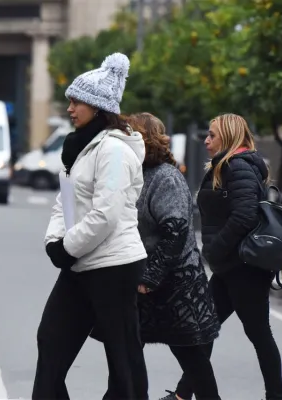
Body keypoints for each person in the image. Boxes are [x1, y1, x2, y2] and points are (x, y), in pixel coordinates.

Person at [32, 53, 149, 400]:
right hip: (80, 262)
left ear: (98, 107)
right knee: (50, 340)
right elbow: (65, 201)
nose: (69, 108)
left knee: (122, 357)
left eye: (76, 102)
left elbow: (106, 214)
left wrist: (67, 247)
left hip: (115, 266)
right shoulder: (79, 149)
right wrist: (55, 240)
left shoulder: (113, 150)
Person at [94, 113, 221, 400]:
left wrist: (149, 278)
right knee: (123, 364)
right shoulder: (132, 173)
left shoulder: (165, 177)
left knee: (194, 363)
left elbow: (175, 231)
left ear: (142, 138)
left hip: (176, 286)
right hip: (139, 283)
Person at [168, 113, 282, 400]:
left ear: (229, 137)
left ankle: (276, 397)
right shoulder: (228, 165)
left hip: (243, 268)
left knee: (258, 334)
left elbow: (244, 215)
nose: (207, 140)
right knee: (203, 331)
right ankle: (183, 395)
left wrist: (215, 248)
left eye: (212, 135)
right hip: (229, 266)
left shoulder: (238, 167)